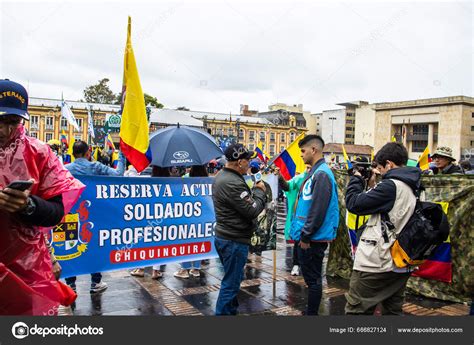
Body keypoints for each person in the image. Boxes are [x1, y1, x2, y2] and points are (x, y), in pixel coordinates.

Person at [0, 79, 83, 315]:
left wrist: (27, 205)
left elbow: (56, 211)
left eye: (13, 122)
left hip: (27, 264)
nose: (5, 131)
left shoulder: (38, 152)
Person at [344, 142, 421, 315]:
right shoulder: (413, 184)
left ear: (389, 164)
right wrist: (372, 186)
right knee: (392, 311)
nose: (379, 172)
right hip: (399, 261)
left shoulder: (391, 185)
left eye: (380, 167)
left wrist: (356, 178)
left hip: (377, 262)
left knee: (356, 311)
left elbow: (354, 204)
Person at [64, 140, 126, 293]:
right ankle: (95, 282)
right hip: (93, 215)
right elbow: (118, 174)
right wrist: (122, 154)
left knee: (69, 246)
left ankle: (70, 284)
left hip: (70, 215)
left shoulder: (64, 169)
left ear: (73, 153)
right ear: (88, 153)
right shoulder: (96, 167)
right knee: (95, 246)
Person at [212, 144, 267, 315]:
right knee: (231, 283)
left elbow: (240, 204)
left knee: (232, 280)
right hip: (233, 240)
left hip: (227, 237)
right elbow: (252, 210)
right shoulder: (233, 182)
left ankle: (230, 311)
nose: (250, 163)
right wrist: (259, 192)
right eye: (248, 160)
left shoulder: (224, 176)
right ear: (240, 162)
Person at [289, 135, 339, 315]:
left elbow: (318, 209)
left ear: (314, 150)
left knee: (313, 280)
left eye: (303, 151)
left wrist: (306, 235)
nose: (301, 155)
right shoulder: (316, 172)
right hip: (309, 236)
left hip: (312, 239)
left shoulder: (322, 174)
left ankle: (312, 314)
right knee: (311, 279)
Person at [174, 165, 209, 279]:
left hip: (188, 215)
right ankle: (196, 269)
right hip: (203, 216)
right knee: (199, 242)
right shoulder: (207, 181)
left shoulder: (186, 178)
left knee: (186, 242)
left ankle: (185, 268)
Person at [276, 164, 311, 276]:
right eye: (308, 167)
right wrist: (280, 177)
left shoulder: (320, 177)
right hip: (299, 216)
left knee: (312, 244)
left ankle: (308, 267)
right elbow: (287, 186)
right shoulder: (300, 178)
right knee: (298, 241)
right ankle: (296, 264)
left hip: (313, 216)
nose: (309, 168)